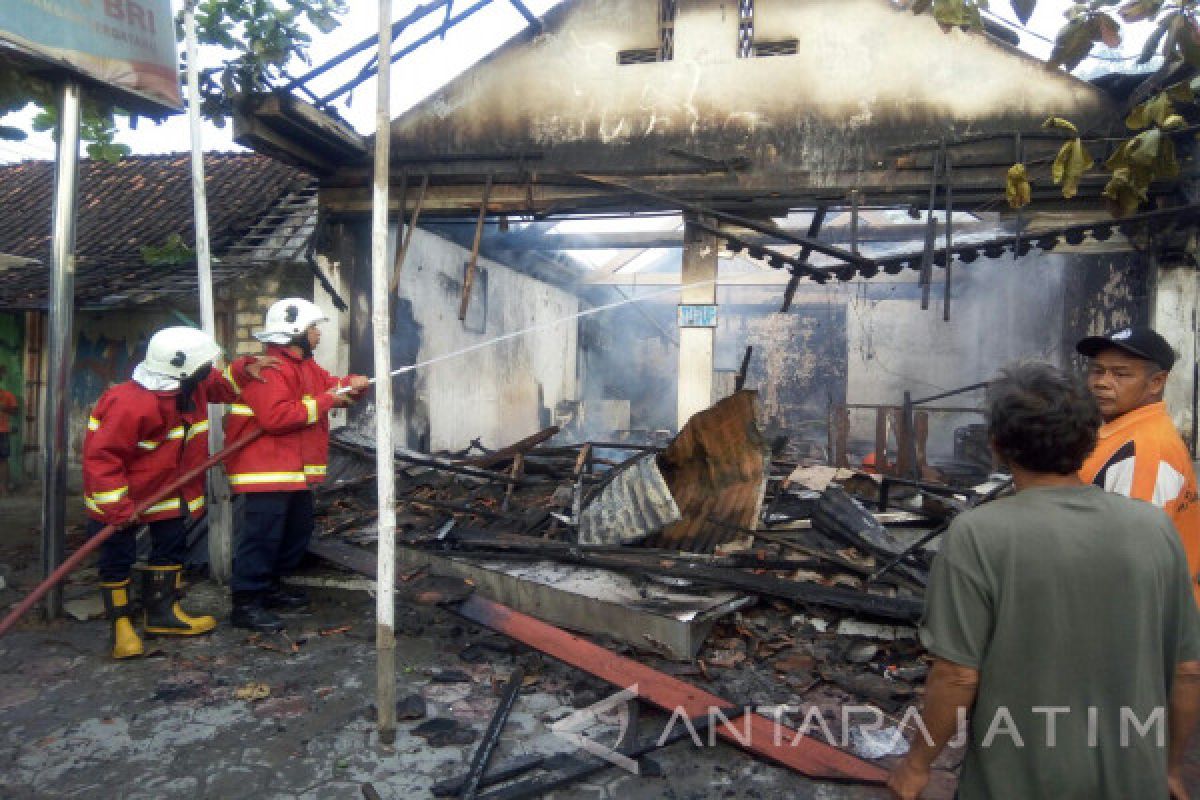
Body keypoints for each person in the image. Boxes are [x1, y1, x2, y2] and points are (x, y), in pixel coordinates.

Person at [888, 363, 1200, 800]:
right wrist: (1169, 768)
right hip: (1136, 781)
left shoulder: (979, 533)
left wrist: (917, 765)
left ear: (997, 447)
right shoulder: (1154, 528)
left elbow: (957, 675)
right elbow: (1188, 671)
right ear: (1090, 439)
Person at [84, 327, 272, 660]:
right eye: (205, 364)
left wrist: (244, 370)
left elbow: (221, 386)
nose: (210, 369)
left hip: (167, 494)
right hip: (121, 498)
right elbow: (102, 459)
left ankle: (162, 615)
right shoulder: (129, 403)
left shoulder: (191, 386)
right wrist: (117, 507)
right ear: (184, 368)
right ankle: (122, 627)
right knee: (117, 558)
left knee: (171, 547)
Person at [224, 298, 368, 633]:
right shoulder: (271, 369)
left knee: (294, 533)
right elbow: (276, 417)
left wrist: (353, 385)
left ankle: (270, 588)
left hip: (291, 471)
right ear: (295, 332)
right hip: (266, 472)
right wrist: (329, 399)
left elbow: (330, 388)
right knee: (262, 537)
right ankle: (246, 603)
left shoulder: (305, 366)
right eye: (313, 328)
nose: (318, 334)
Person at [1077, 326, 1200, 605]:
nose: (1102, 383)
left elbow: (1133, 561)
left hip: (1145, 622)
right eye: (1097, 371)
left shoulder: (1145, 450)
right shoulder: (1122, 431)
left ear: (1156, 382)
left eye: (1121, 374)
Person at [0, 364, 17, 497]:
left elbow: (15, 412)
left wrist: (3, 408)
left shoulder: (7, 395)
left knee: (3, 460)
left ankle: (4, 489)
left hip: (2, 431)